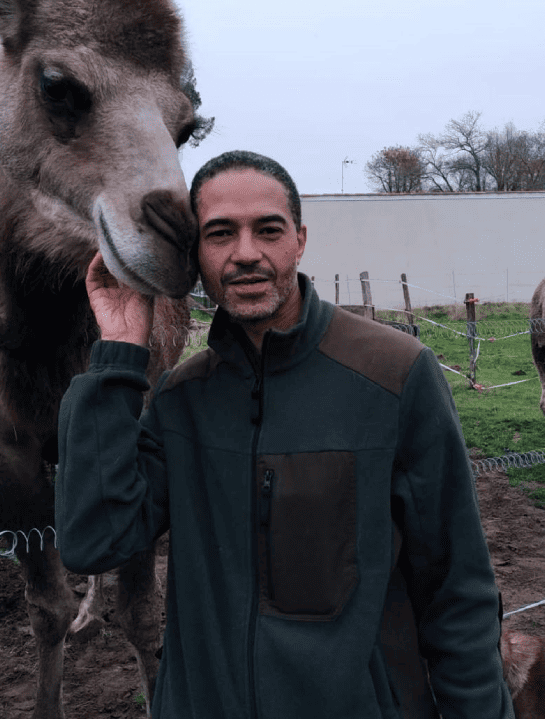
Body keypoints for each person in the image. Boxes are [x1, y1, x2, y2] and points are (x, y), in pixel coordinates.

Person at [56, 150, 514, 719]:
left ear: (298, 240)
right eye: (220, 233)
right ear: (195, 255)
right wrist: (118, 353)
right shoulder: (180, 399)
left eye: (267, 230)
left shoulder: (395, 375)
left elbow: (457, 586)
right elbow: (94, 541)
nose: (246, 253)